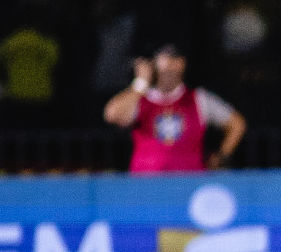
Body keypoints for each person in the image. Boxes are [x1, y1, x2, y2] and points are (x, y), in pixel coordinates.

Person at [103, 42, 247, 172]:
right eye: (165, 58)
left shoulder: (198, 98)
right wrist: (140, 84)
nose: (170, 65)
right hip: (146, 187)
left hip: (188, 185)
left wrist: (221, 156)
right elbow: (112, 115)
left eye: (175, 59)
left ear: (183, 63)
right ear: (154, 62)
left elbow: (237, 124)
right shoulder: (140, 99)